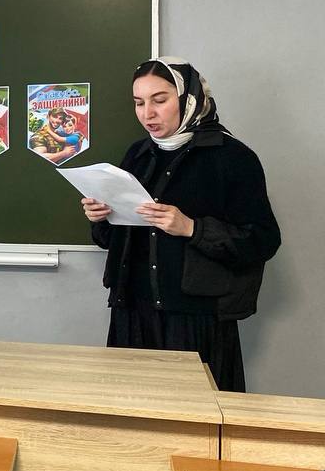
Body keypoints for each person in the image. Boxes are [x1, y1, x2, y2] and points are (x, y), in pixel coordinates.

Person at [81, 57, 280, 392]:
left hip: (195, 319)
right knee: (134, 413)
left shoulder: (231, 157)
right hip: (132, 312)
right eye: (139, 103)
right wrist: (101, 217)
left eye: (159, 100)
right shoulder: (137, 155)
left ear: (189, 99)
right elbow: (111, 239)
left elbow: (262, 240)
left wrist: (192, 228)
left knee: (196, 417)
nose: (148, 113)